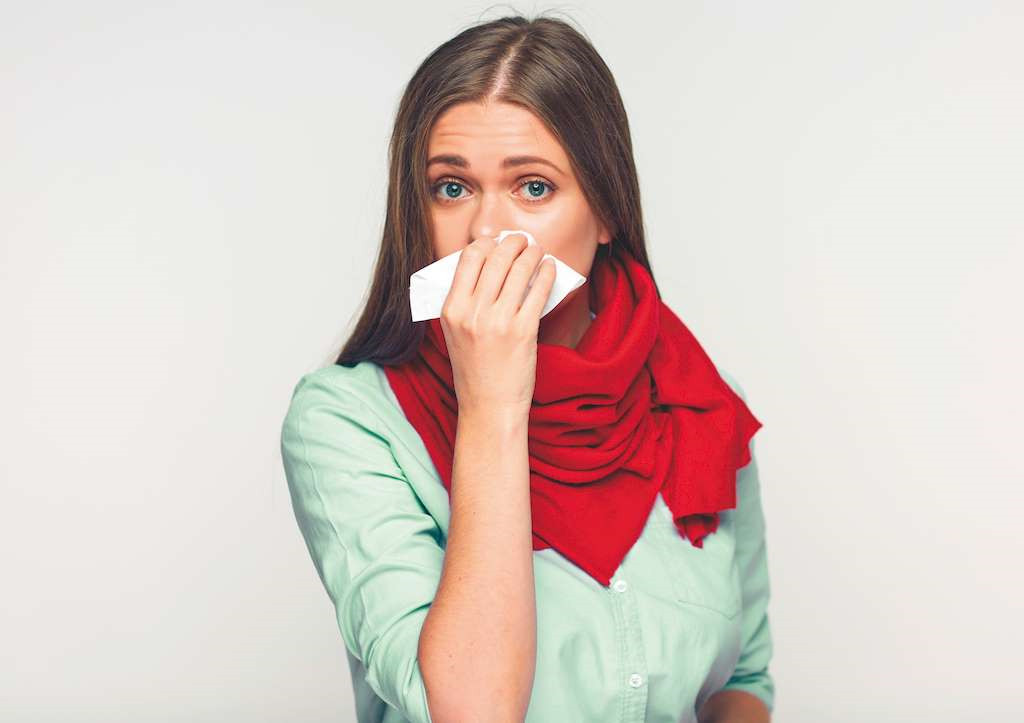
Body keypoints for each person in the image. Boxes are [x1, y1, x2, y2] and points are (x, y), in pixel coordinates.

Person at [280, 13, 774, 723]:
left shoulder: (699, 402)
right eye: (452, 188)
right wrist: (491, 403)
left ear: (605, 210)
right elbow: (470, 710)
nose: (486, 231)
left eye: (533, 187)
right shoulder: (347, 421)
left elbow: (744, 678)